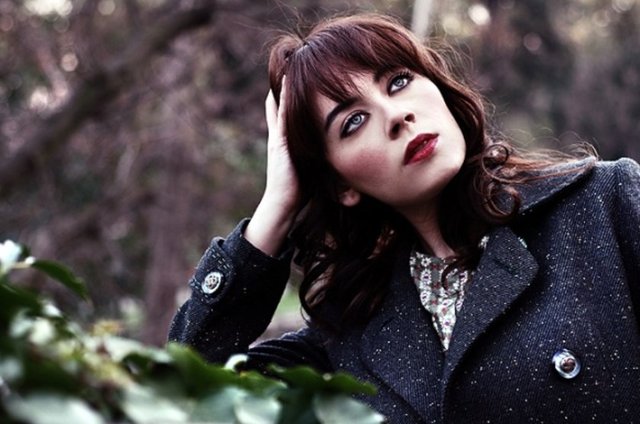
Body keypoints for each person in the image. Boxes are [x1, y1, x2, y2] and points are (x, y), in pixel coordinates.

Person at [169, 13, 640, 423]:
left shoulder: (602, 206)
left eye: (397, 81)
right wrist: (276, 205)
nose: (396, 115)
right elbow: (185, 394)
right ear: (342, 185)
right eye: (353, 122)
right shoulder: (349, 334)